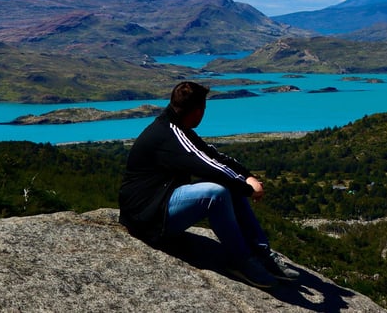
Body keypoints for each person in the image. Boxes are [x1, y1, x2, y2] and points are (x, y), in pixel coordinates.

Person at [118, 81, 299, 288]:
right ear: (198, 111)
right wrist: (248, 189)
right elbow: (209, 167)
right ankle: (241, 261)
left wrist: (247, 177)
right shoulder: (169, 134)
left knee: (228, 184)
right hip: (147, 217)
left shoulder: (176, 127)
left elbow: (213, 155)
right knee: (216, 193)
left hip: (157, 204)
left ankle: (260, 253)